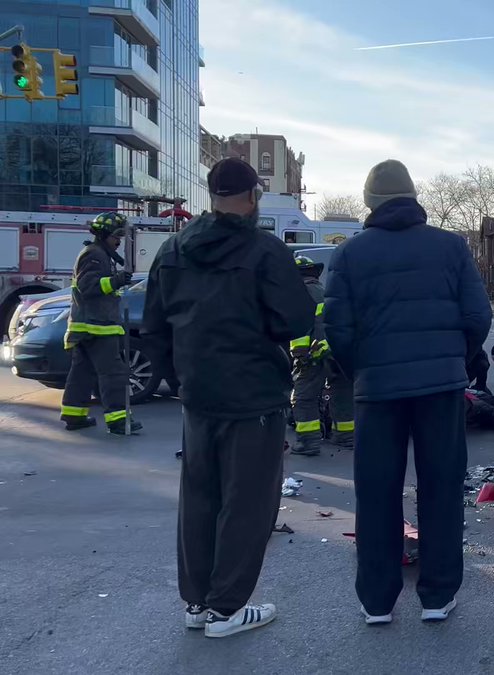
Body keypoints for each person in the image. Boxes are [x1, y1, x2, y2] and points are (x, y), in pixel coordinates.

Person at [143, 158, 315, 638]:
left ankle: (197, 602)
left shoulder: (174, 249)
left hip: (199, 396)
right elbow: (297, 321)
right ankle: (226, 609)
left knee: (199, 496)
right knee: (247, 502)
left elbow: (153, 324)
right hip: (254, 397)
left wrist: (180, 380)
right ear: (253, 196)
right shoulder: (264, 251)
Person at [324, 159, 491, 625]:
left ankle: (377, 601)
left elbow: (337, 329)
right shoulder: (451, 247)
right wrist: (454, 358)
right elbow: (478, 317)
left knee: (377, 493)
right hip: (440, 391)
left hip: (377, 392)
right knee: (440, 488)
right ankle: (437, 596)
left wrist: (365, 369)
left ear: (369, 203)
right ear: (414, 197)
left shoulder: (350, 255)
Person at [59, 212, 140, 435]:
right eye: (117, 235)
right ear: (104, 234)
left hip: (87, 327)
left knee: (82, 374)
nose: (119, 240)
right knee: (113, 373)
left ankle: (74, 416)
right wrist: (116, 281)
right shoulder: (94, 255)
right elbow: (89, 287)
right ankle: (119, 421)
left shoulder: (99, 253)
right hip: (98, 327)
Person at [289, 255, 355, 456]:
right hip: (339, 350)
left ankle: (308, 442)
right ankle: (345, 436)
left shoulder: (297, 294)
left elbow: (297, 327)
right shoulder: (325, 292)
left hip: (314, 352)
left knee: (303, 396)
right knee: (342, 391)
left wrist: (300, 354)